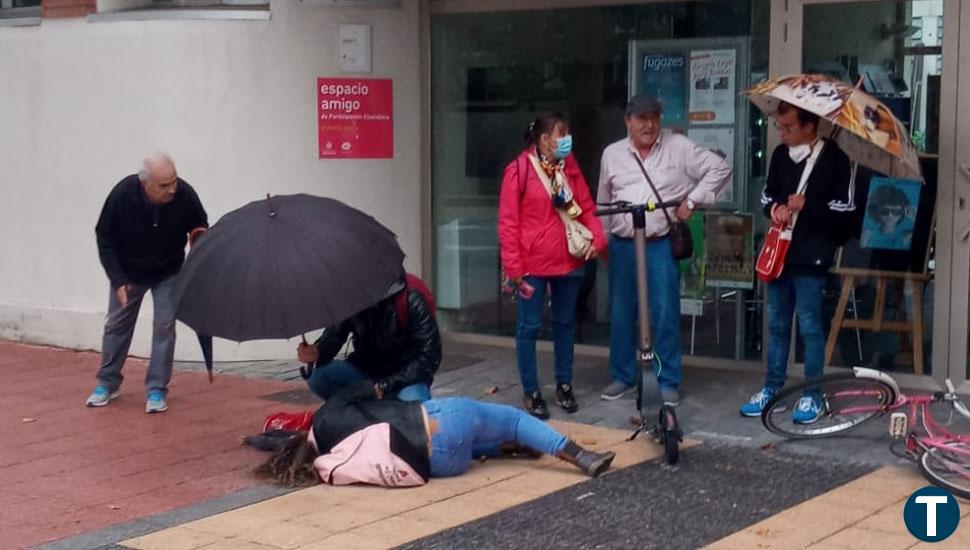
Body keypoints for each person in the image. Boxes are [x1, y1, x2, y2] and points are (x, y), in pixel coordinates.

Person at [597, 95, 731, 405]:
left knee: (665, 312)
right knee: (620, 312)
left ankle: (667, 378)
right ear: (628, 121)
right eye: (641, 118)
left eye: (654, 117)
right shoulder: (612, 154)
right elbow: (602, 200)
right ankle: (623, 376)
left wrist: (693, 201)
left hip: (659, 243)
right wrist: (601, 242)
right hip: (623, 243)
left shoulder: (679, 146)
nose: (649, 124)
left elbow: (720, 169)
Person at [253, 381, 616, 487]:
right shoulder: (329, 411)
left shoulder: (328, 459)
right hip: (439, 421)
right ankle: (581, 456)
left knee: (473, 440)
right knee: (512, 418)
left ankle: (504, 448)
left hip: (440, 464)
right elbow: (376, 390)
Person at [739, 101, 855, 422]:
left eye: (788, 127)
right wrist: (774, 208)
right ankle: (772, 388)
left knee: (810, 327)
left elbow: (846, 212)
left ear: (809, 127)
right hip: (780, 254)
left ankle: (812, 394)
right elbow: (767, 195)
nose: (782, 133)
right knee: (776, 325)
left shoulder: (835, 160)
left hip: (812, 255)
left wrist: (809, 205)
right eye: (779, 126)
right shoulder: (779, 156)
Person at [498, 113, 607, 419]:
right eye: (562, 134)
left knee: (564, 325)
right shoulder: (518, 171)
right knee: (529, 327)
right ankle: (531, 391)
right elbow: (508, 223)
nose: (567, 140)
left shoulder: (569, 168)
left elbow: (586, 206)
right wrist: (514, 267)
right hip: (532, 264)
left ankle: (564, 384)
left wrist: (597, 239)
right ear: (545, 139)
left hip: (569, 261)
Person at [87, 153, 208, 413]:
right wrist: (117, 280)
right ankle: (107, 382)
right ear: (145, 184)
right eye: (164, 185)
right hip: (128, 272)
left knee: (165, 325)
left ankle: (156, 389)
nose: (172, 189)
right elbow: (104, 235)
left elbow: (199, 224)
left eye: (173, 181)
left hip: (169, 270)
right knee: (117, 325)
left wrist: (198, 248)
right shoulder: (122, 195)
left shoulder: (184, 194)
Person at [296, 274, 441, 403]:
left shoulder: (411, 297)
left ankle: (384, 407)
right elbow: (334, 336)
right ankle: (360, 413)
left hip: (405, 377)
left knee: (414, 411)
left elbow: (429, 357)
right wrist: (317, 352)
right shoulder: (351, 297)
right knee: (319, 376)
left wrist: (387, 385)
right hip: (365, 371)